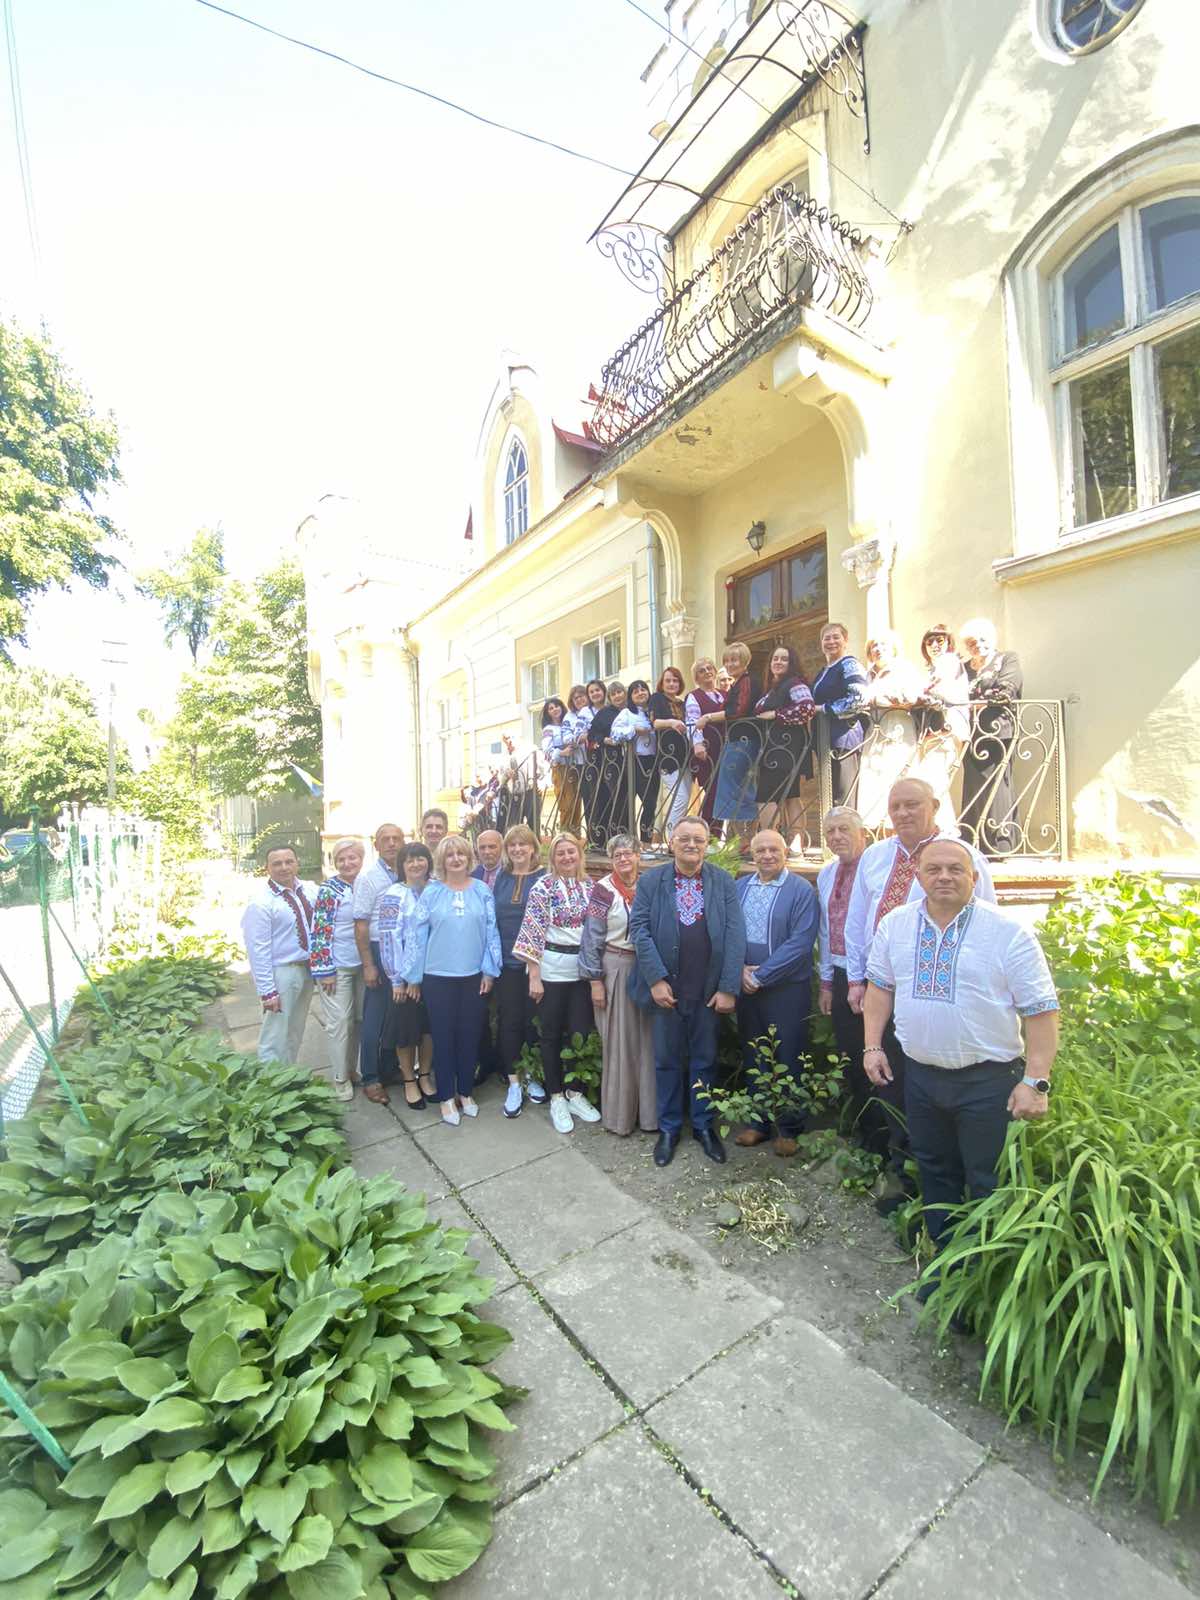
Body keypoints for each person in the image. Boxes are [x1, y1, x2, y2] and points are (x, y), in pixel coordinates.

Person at [863, 838, 1058, 1279]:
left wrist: (1036, 1080)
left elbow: (1042, 1011)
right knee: (935, 1171)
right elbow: (879, 989)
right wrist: (872, 1045)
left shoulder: (1007, 931)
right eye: (933, 869)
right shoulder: (895, 925)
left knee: (988, 1180)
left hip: (989, 1084)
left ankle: (987, 1279)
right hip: (921, 1077)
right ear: (918, 876)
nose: (944, 877)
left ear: (974, 876)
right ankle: (947, 1270)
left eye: (956, 869)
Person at [843, 778, 997, 1207]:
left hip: (938, 993)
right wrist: (856, 979)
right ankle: (902, 1171)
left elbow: (987, 923)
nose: (903, 813)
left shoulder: (962, 857)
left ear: (935, 806)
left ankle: (951, 1182)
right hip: (881, 989)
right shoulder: (875, 856)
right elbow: (857, 920)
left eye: (912, 804)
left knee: (934, 1085)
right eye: (895, 806)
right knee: (887, 1079)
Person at [628, 816, 746, 1168]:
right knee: (666, 1061)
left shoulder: (723, 882)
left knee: (705, 1060)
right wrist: (655, 979)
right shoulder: (651, 881)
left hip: (707, 990)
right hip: (667, 990)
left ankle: (704, 1126)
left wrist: (728, 987)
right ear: (672, 842)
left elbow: (735, 934)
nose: (691, 844)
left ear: (707, 844)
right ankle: (669, 1129)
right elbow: (639, 929)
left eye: (698, 839)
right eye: (684, 838)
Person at [402, 834, 501, 1126]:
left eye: (461, 854)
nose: (456, 859)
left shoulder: (482, 890)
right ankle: (446, 1096)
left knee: (469, 1035)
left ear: (469, 858)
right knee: (443, 1037)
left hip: (474, 976)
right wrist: (413, 977)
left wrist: (489, 971)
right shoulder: (432, 893)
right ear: (442, 861)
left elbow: (491, 931)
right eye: (449, 855)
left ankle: (465, 1092)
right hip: (438, 977)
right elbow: (417, 935)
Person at [734, 829, 819, 1156]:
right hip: (746, 986)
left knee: (788, 1053)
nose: (767, 855)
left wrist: (761, 975)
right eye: (761, 850)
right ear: (752, 855)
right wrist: (739, 970)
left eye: (774, 849)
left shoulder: (800, 890)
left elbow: (801, 942)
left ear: (785, 853)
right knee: (754, 1052)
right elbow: (729, 932)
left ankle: (789, 1128)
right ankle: (758, 1123)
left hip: (786, 989)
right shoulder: (741, 887)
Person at [513, 832, 603, 1134]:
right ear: (552, 857)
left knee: (579, 1031)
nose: (567, 857)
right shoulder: (543, 887)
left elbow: (596, 931)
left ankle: (574, 1093)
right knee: (550, 1033)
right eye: (560, 853)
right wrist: (534, 976)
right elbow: (532, 931)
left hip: (581, 971)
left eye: (571, 852)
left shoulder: (590, 887)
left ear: (579, 855)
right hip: (551, 970)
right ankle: (555, 1097)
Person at [816, 807, 883, 1157]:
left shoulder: (876, 869)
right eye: (830, 831)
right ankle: (864, 1129)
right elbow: (826, 930)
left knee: (881, 1052)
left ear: (863, 834)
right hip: (842, 975)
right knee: (851, 1052)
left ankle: (887, 1137)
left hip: (876, 976)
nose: (836, 836)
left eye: (844, 829)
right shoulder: (827, 874)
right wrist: (827, 982)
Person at [579, 833, 656, 1136]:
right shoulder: (603, 891)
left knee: (648, 1042)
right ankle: (620, 1118)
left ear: (638, 856)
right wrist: (595, 981)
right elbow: (591, 938)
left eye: (628, 853)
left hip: (648, 969)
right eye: (617, 855)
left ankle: (650, 1117)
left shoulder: (650, 885)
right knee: (620, 1044)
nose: (623, 859)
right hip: (616, 966)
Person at [241, 846, 317, 1064]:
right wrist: (267, 991)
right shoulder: (261, 902)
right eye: (277, 863)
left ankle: (289, 1076)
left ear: (297, 863)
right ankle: (270, 1080)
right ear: (267, 868)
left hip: (307, 971)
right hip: (282, 973)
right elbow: (258, 949)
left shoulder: (310, 890)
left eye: (289, 861)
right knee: (274, 1034)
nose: (284, 867)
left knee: (295, 1029)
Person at [491, 823, 546, 1118]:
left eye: (523, 844)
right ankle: (514, 1081)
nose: (517, 849)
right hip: (507, 962)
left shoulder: (544, 878)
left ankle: (531, 1075)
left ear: (533, 848)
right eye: (512, 845)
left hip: (535, 963)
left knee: (532, 1021)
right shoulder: (502, 877)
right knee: (510, 1020)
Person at [959, 618, 1025, 858]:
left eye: (982, 639)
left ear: (993, 639)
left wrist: (977, 703)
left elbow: (1007, 688)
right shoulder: (963, 668)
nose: (978, 645)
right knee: (974, 786)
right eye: (972, 642)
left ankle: (1000, 845)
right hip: (971, 734)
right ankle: (974, 842)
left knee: (997, 786)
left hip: (998, 731)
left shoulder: (1006, 659)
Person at [378, 843, 436, 1109]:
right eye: (410, 860)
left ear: (428, 862)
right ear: (401, 865)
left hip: (435, 973)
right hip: (405, 978)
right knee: (406, 1031)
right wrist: (397, 979)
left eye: (420, 859)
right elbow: (389, 938)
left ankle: (424, 1076)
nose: (416, 864)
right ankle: (409, 1081)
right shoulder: (394, 894)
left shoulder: (436, 888)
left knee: (428, 1029)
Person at [351, 822, 406, 1105]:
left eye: (397, 838)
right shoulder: (368, 878)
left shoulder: (406, 872)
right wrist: (368, 964)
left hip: (403, 949)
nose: (392, 843)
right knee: (374, 1016)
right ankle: (371, 1077)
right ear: (376, 844)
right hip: (378, 949)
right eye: (386, 839)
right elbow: (360, 924)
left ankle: (389, 1068)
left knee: (396, 1015)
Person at [309, 837, 365, 1101]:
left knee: (359, 1020)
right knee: (340, 1022)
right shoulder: (329, 890)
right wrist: (324, 969)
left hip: (364, 965)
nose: (347, 863)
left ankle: (353, 1069)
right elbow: (320, 930)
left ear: (361, 859)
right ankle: (340, 1078)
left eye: (352, 857)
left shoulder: (365, 884)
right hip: (336, 968)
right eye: (341, 859)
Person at [857, 632, 923, 829]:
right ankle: (877, 830)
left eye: (883, 645)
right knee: (873, 779)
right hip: (874, 733)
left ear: (894, 648)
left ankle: (901, 828)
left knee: (898, 777)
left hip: (898, 731)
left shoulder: (904, 669)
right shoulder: (867, 675)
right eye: (874, 646)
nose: (878, 649)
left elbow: (911, 697)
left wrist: (877, 699)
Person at [754, 644, 817, 846]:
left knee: (766, 796)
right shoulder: (774, 687)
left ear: (792, 663)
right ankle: (795, 845)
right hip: (778, 749)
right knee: (791, 795)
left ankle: (770, 843)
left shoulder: (794, 684)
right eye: (775, 658)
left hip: (783, 750)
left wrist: (776, 714)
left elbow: (807, 708)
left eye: (784, 659)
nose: (778, 662)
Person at [912, 624, 970, 833]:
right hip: (933, 733)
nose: (935, 645)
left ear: (948, 643)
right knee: (933, 783)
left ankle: (945, 831)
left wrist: (917, 694)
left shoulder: (949, 661)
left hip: (947, 730)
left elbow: (938, 690)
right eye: (930, 641)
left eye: (940, 640)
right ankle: (940, 830)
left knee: (934, 783)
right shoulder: (933, 668)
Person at [811, 622, 869, 806]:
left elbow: (859, 698)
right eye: (826, 638)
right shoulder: (824, 671)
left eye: (836, 637)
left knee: (844, 797)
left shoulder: (849, 664)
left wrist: (824, 709)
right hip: (825, 740)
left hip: (844, 740)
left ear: (845, 641)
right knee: (830, 798)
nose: (831, 642)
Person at [710, 642, 759, 849]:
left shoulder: (747, 681)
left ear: (745, 661)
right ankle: (743, 840)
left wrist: (708, 717)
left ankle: (745, 840)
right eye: (727, 660)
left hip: (742, 741)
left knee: (736, 790)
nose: (730, 664)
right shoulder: (739, 682)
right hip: (741, 740)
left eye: (735, 660)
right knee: (738, 789)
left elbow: (738, 710)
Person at [611, 679, 659, 844]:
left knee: (652, 804)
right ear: (630, 696)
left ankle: (647, 841)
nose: (640, 693)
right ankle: (638, 842)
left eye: (643, 689)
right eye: (636, 691)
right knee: (645, 802)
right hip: (636, 761)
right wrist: (634, 730)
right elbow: (615, 733)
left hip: (654, 760)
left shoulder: (653, 711)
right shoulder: (627, 713)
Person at [648, 667, 693, 839]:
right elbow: (655, 722)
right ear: (662, 683)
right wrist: (672, 722)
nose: (672, 684)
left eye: (675, 680)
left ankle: (677, 836)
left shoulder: (682, 703)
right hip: (668, 756)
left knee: (684, 799)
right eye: (668, 680)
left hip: (685, 756)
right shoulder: (657, 698)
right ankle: (672, 838)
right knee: (680, 798)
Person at [585, 682, 628, 846]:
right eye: (613, 694)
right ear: (609, 697)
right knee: (617, 798)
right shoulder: (605, 713)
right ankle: (614, 839)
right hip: (612, 762)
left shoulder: (631, 710)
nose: (617, 696)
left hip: (632, 761)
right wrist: (604, 740)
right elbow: (592, 734)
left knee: (628, 800)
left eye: (620, 692)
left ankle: (628, 838)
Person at [685, 658, 725, 823]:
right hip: (708, 751)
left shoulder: (724, 694)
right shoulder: (694, 697)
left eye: (710, 668)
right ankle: (710, 833)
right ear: (696, 678)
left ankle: (722, 832)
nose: (707, 672)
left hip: (727, 749)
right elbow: (692, 721)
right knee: (712, 793)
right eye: (702, 671)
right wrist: (698, 744)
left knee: (725, 794)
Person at [541, 696, 583, 834]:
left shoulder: (568, 722)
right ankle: (565, 835)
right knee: (566, 804)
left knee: (576, 803)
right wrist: (561, 753)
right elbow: (546, 751)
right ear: (547, 713)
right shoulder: (548, 729)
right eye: (551, 708)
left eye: (557, 706)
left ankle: (575, 835)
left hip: (574, 767)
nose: (555, 709)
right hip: (560, 768)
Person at [577, 678, 608, 844]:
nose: (595, 693)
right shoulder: (585, 712)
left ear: (603, 691)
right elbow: (579, 734)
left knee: (612, 797)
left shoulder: (611, 708)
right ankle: (596, 840)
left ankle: (611, 836)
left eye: (597, 690)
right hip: (593, 758)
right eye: (591, 691)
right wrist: (590, 735)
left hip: (612, 756)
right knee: (595, 798)